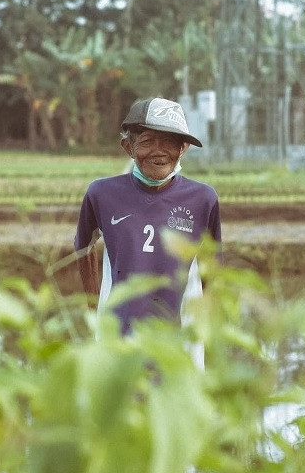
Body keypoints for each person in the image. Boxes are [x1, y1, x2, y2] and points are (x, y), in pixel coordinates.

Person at [75, 96, 221, 335]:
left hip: (181, 337)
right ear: (128, 147)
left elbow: (211, 267)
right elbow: (83, 247)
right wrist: (94, 308)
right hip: (119, 334)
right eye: (147, 141)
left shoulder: (203, 199)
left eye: (169, 142)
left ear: (183, 148)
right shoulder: (101, 194)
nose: (159, 151)